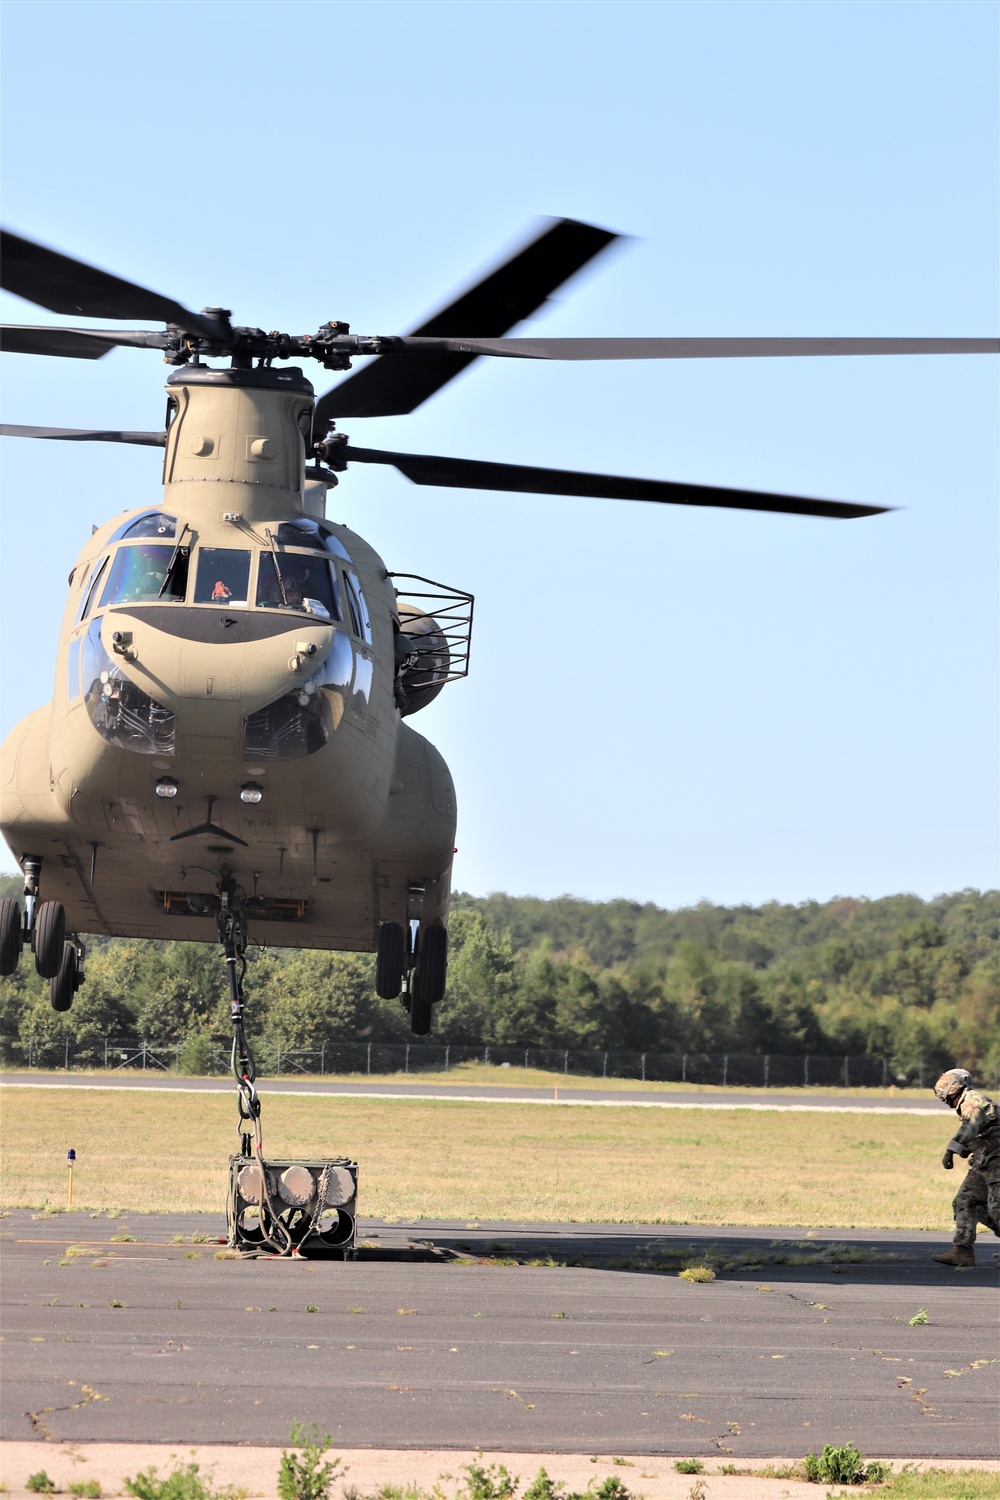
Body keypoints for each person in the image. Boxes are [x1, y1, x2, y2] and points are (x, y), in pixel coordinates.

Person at [930, 1067, 999, 1267]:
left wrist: (952, 1149)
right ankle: (962, 1251)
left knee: (998, 1209)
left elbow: (972, 1124)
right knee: (965, 1200)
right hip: (986, 1161)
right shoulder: (967, 1104)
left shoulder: (973, 1101)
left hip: (996, 1161)